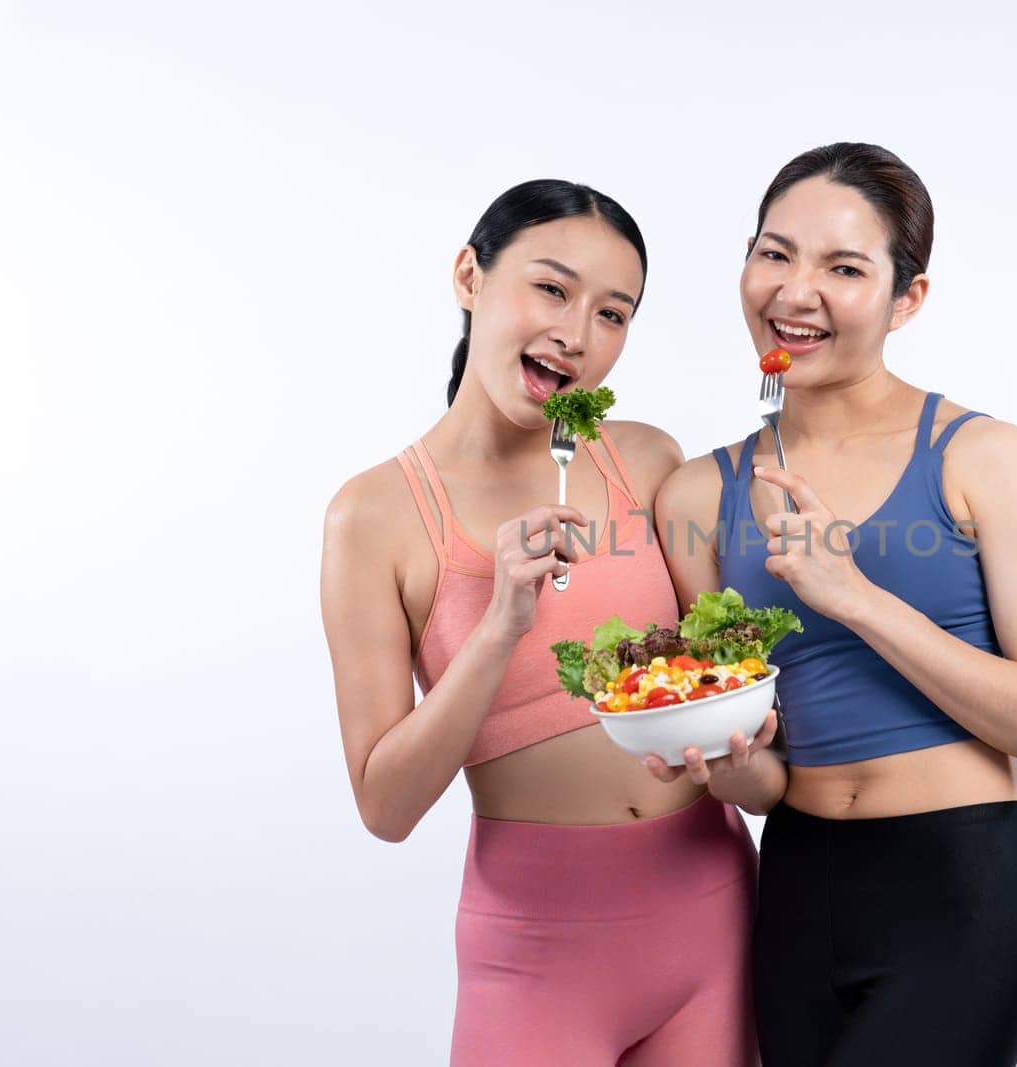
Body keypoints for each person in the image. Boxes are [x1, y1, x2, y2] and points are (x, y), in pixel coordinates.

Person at [650, 143, 1017, 1066]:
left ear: (908, 298)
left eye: (844, 267)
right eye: (775, 254)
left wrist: (856, 598)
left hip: (962, 885)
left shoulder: (981, 456)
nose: (795, 291)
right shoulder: (699, 496)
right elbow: (768, 772)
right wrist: (725, 766)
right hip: (799, 887)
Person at [320, 180, 758, 1067]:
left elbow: (739, 665)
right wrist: (498, 625)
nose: (577, 334)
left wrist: (942, 788)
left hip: (714, 912)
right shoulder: (373, 516)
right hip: (535, 952)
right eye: (552, 289)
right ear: (469, 276)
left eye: (613, 313)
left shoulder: (642, 458)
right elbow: (385, 805)